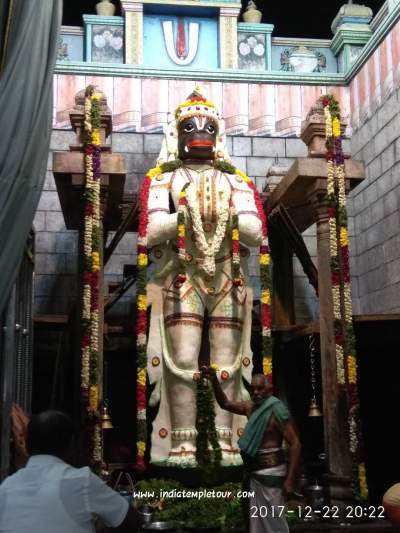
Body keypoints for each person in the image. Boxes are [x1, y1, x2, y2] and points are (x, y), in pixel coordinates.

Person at [142, 85, 264, 467]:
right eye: (191, 126)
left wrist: (227, 215)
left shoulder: (235, 180)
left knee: (227, 357)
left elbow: (254, 231)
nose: (199, 133)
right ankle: (182, 444)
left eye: (208, 127)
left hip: (227, 276)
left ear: (218, 135)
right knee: (182, 356)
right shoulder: (165, 178)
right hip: (182, 276)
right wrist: (185, 214)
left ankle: (228, 441)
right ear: (178, 135)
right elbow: (150, 231)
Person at [0, 410, 141, 533]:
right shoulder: (80, 480)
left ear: (28, 446)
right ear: (72, 446)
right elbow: (132, 521)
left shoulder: (6, 487)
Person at [203, 367, 301, 533]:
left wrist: (290, 480)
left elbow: (296, 444)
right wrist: (214, 380)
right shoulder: (250, 407)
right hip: (252, 473)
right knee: (255, 522)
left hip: (272, 472)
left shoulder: (277, 410)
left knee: (273, 519)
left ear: (269, 389)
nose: (255, 392)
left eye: (260, 388)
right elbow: (225, 403)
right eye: (253, 388)